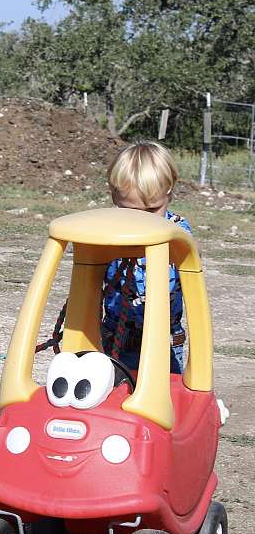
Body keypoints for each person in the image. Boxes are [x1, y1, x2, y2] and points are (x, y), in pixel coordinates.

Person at [101, 141, 192, 373]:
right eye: (132, 212)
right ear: (114, 196)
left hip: (165, 345)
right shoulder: (104, 231)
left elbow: (193, 254)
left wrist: (177, 247)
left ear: (169, 190)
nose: (144, 221)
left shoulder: (177, 229)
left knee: (165, 403)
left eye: (152, 211)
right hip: (115, 343)